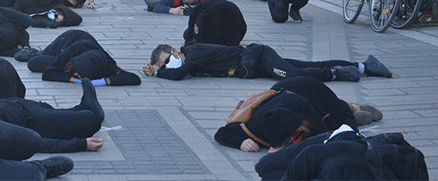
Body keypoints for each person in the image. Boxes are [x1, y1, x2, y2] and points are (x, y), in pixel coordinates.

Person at [0, 78, 105, 154]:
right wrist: (81, 145)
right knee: (91, 121)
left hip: (18, 105)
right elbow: (37, 144)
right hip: (32, 121)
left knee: (66, 113)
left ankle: (83, 107)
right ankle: (91, 110)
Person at [214, 76, 364, 152]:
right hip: (281, 94)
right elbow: (221, 133)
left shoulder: (306, 114)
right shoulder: (256, 127)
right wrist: (241, 143)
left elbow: (326, 139)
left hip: (312, 91)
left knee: (342, 123)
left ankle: (349, 107)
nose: (293, 141)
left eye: (295, 138)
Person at [143, 42, 393, 83]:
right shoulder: (193, 61)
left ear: (174, 50)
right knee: (307, 65)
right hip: (255, 64)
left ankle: (340, 74)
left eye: (167, 60)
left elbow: (177, 75)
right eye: (164, 65)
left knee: (294, 76)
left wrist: (157, 73)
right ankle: (364, 65)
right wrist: (159, 69)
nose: (169, 65)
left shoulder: (193, 53)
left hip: (258, 57)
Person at [254, 127, 429, 181]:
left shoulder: (314, 157)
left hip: (342, 145)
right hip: (352, 145)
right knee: (266, 169)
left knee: (266, 170)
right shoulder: (315, 155)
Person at [25, 30, 142, 86]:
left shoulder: (106, 63)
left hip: (84, 45)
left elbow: (135, 79)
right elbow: (48, 74)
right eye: (77, 74)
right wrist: (72, 79)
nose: (77, 76)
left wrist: (106, 81)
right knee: (34, 62)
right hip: (66, 41)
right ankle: (33, 51)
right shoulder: (72, 52)